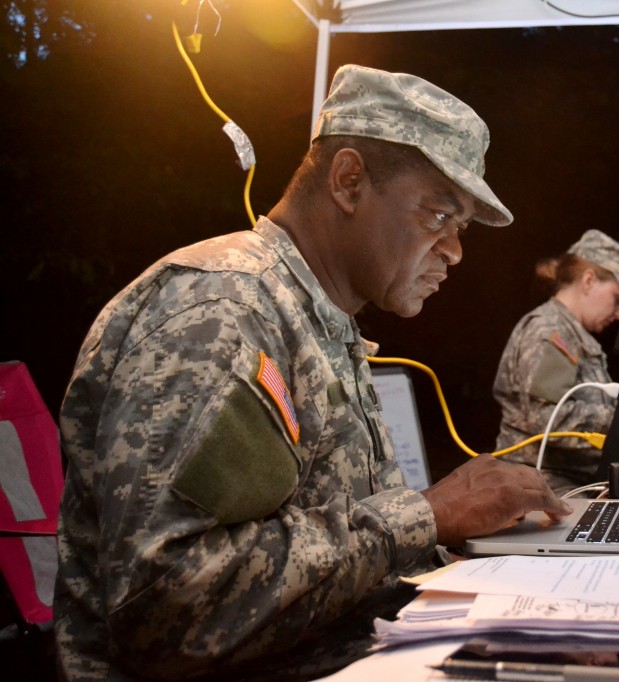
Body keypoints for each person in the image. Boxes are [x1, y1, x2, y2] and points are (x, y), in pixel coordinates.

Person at [53, 64, 573, 681]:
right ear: (349, 180)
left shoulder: (317, 318)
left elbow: (337, 554)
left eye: (460, 229)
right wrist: (427, 515)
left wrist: (469, 548)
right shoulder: (223, 313)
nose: (455, 250)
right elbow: (166, 611)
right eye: (438, 216)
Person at [492, 229, 619, 495]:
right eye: (617, 299)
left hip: (570, 478)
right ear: (588, 280)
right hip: (538, 484)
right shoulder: (550, 332)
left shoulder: (571, 333)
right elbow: (548, 419)